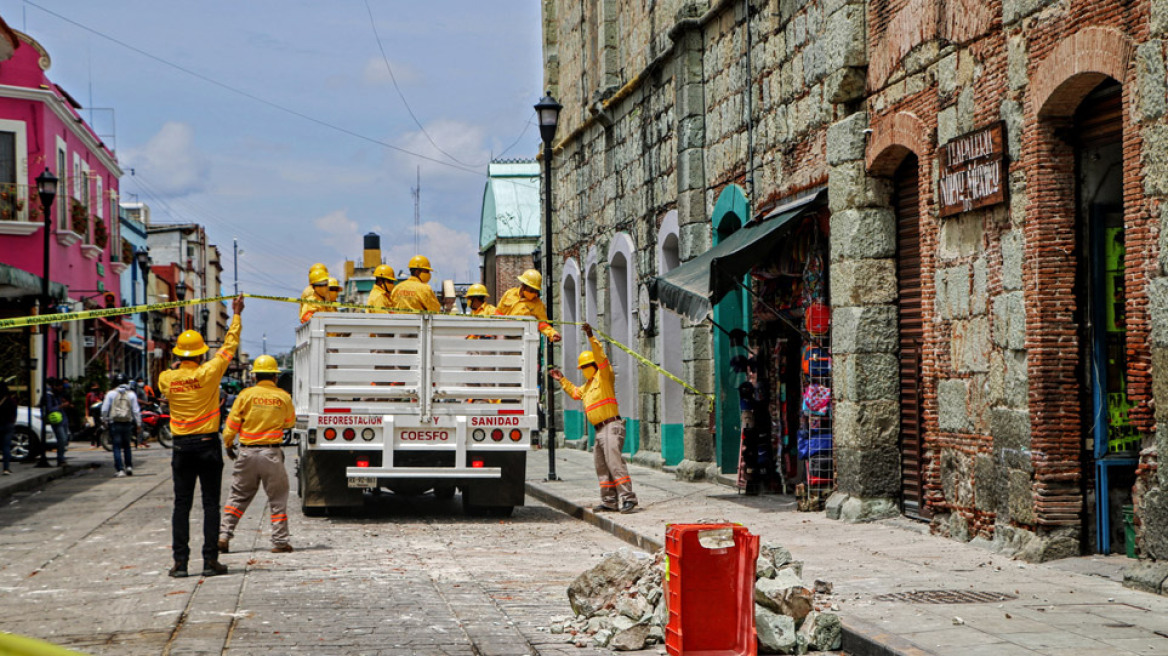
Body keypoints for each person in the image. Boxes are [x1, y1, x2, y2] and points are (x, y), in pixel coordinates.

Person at [158, 294, 244, 579]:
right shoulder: (210, 372)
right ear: (199, 354)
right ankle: (210, 561)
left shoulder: (167, 378)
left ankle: (180, 563)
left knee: (181, 505)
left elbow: (168, 383)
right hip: (208, 445)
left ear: (178, 355)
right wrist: (236, 315)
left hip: (181, 448)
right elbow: (229, 347)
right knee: (210, 505)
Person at [549, 322, 637, 513]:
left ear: (594, 366)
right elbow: (575, 393)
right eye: (583, 367)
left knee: (615, 464)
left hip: (611, 426)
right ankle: (609, 501)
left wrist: (591, 336)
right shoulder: (588, 386)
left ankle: (628, 498)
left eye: (587, 366)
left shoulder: (604, 376)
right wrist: (562, 379)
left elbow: (601, 356)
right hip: (598, 430)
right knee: (602, 466)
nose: (585, 369)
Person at [217, 355, 296, 555]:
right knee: (277, 498)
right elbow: (289, 423)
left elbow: (232, 424)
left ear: (254, 377)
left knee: (237, 496)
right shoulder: (283, 396)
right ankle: (279, 541)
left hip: (246, 452)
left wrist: (228, 444)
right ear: (275, 377)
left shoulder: (245, 395)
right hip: (271, 452)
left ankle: (224, 535)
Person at [495, 269, 561, 342]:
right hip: (503, 336)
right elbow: (498, 313)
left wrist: (552, 334)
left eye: (535, 291)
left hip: (522, 339)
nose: (534, 293)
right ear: (523, 286)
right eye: (531, 290)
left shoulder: (537, 304)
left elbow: (542, 324)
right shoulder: (509, 294)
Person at [101, 375, 142, 476]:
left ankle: (120, 470)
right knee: (127, 446)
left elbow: (105, 409)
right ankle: (129, 466)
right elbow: (136, 410)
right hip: (127, 422)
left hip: (114, 422)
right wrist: (139, 423)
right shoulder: (131, 394)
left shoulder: (110, 394)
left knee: (117, 446)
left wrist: (104, 419)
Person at [43, 378, 71, 467]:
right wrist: (60, 406)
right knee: (62, 439)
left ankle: (61, 457)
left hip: (63, 419)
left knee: (65, 439)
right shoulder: (49, 395)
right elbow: (49, 409)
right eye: (59, 386)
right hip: (56, 420)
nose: (61, 388)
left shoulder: (59, 395)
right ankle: (60, 459)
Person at [1, 381, 16, 475]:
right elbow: (14, 414)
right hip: (8, 425)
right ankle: (6, 468)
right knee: (6, 447)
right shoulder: (11, 400)